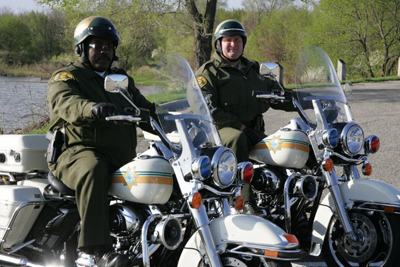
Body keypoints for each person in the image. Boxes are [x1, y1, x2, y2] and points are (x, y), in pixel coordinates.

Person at [47, 16, 155, 266]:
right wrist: (92, 108)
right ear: (82, 48)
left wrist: (173, 119)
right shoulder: (67, 77)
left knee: (156, 168)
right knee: (93, 168)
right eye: (97, 44)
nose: (104, 50)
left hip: (118, 155)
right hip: (76, 153)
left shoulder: (120, 81)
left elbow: (145, 108)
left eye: (109, 46)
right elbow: (67, 103)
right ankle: (96, 251)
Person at [196, 19, 296, 213]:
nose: (233, 44)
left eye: (237, 40)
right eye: (228, 40)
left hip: (254, 131)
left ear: (243, 43)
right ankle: (244, 200)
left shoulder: (254, 71)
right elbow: (208, 110)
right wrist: (242, 128)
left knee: (287, 142)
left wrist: (307, 100)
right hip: (220, 132)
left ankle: (288, 199)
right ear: (219, 44)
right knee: (238, 139)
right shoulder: (209, 73)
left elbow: (277, 95)